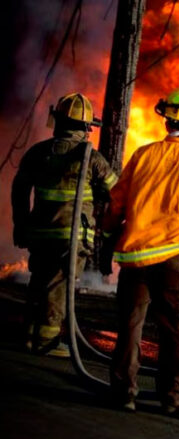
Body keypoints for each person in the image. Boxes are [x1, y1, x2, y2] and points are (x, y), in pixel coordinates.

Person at [102, 86, 179, 414]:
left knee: (130, 326)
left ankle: (123, 394)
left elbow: (116, 203)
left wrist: (105, 237)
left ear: (166, 120)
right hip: (176, 261)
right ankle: (172, 400)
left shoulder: (142, 155)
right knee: (174, 331)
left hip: (134, 258)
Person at [12, 93, 117, 358]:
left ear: (58, 121)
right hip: (72, 237)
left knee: (38, 282)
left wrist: (21, 225)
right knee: (58, 287)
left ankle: (30, 335)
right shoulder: (91, 159)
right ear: (86, 127)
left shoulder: (38, 152)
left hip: (39, 233)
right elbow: (116, 192)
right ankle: (46, 341)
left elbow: (19, 191)